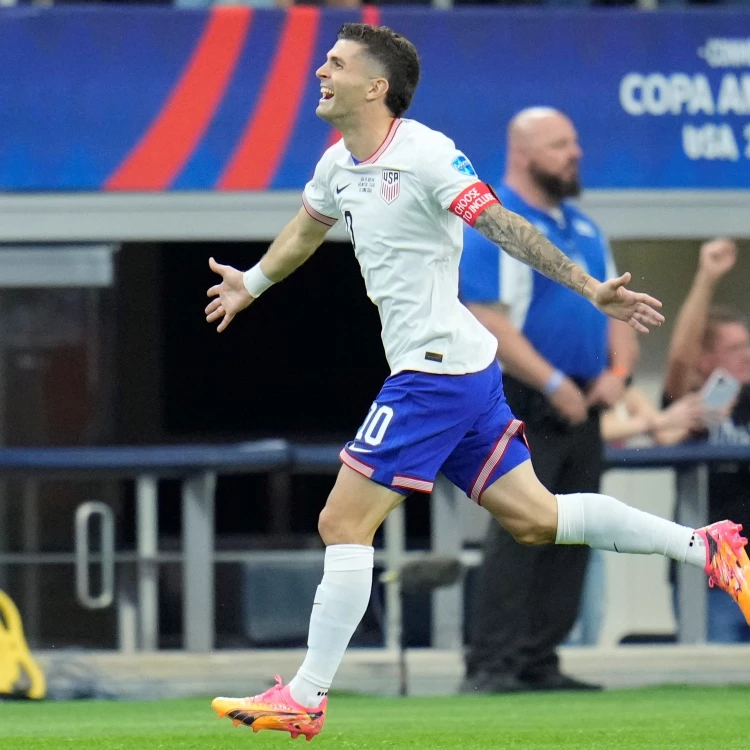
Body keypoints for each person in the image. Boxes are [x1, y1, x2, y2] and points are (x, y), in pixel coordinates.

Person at [204, 24, 749, 740]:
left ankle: (306, 695)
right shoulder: (339, 163)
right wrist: (254, 282)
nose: (319, 71)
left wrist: (589, 287)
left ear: (376, 86)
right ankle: (706, 547)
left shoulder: (426, 153)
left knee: (342, 521)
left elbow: (502, 225)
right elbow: (307, 229)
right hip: (463, 369)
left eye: (335, 63)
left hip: (434, 374)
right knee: (535, 519)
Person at [458, 107, 639, 692]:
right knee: (519, 530)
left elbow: (616, 307)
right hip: (523, 399)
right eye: (561, 144)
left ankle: (540, 659)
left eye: (576, 141)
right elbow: (487, 317)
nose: (575, 152)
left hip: (586, 403)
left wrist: (619, 373)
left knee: (577, 531)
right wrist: (553, 383)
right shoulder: (495, 223)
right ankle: (492, 664)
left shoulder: (584, 229)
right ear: (524, 153)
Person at [663, 238, 750, 642]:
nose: (747, 355)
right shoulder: (692, 406)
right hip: (712, 575)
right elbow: (680, 359)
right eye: (735, 349)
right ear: (707, 359)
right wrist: (707, 278)